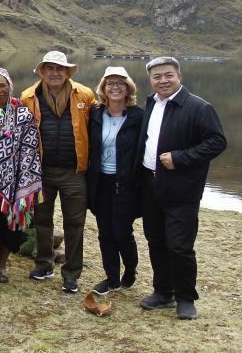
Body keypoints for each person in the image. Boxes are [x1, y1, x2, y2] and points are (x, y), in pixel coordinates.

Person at [135, 57, 226, 320]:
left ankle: (186, 297)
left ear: (179, 76)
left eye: (168, 75)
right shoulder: (151, 103)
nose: (163, 80)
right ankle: (163, 292)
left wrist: (180, 158)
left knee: (179, 246)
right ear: (150, 80)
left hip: (182, 189)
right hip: (150, 185)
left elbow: (217, 142)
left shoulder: (199, 107)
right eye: (157, 77)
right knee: (156, 241)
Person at [20, 51, 95, 293]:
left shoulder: (84, 95)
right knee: (42, 220)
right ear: (42, 71)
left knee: (75, 222)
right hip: (41, 171)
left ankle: (71, 274)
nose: (55, 73)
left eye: (59, 68)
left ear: (67, 72)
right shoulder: (28, 97)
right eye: (49, 68)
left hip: (74, 172)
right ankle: (44, 264)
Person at [0, 67, 43, 284]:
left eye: (2, 85)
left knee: (9, 223)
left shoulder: (23, 114)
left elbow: (30, 149)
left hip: (12, 181)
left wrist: (24, 182)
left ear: (10, 86)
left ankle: (2, 264)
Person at [86, 67, 143, 295]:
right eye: (110, 83)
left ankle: (130, 270)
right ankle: (111, 278)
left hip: (126, 184)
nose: (115, 87)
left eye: (120, 83)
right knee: (104, 232)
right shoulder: (95, 114)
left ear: (128, 88)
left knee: (122, 231)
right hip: (101, 182)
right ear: (103, 89)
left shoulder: (139, 117)